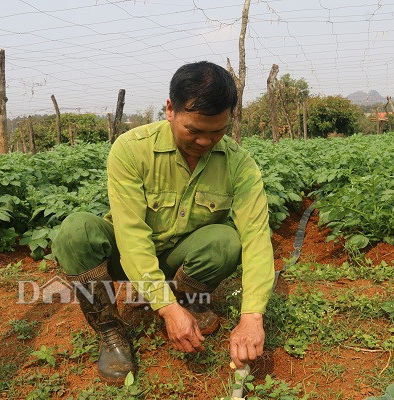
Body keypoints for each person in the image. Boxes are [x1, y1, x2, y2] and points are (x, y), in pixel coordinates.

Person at [52, 61, 275, 384]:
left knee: (226, 241)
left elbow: (256, 238)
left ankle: (186, 298)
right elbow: (130, 236)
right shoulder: (130, 150)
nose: (205, 142)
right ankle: (111, 332)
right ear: (170, 109)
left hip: (179, 256)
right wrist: (165, 309)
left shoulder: (239, 164)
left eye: (217, 131)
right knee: (76, 232)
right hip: (127, 258)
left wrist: (253, 316)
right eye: (194, 130)